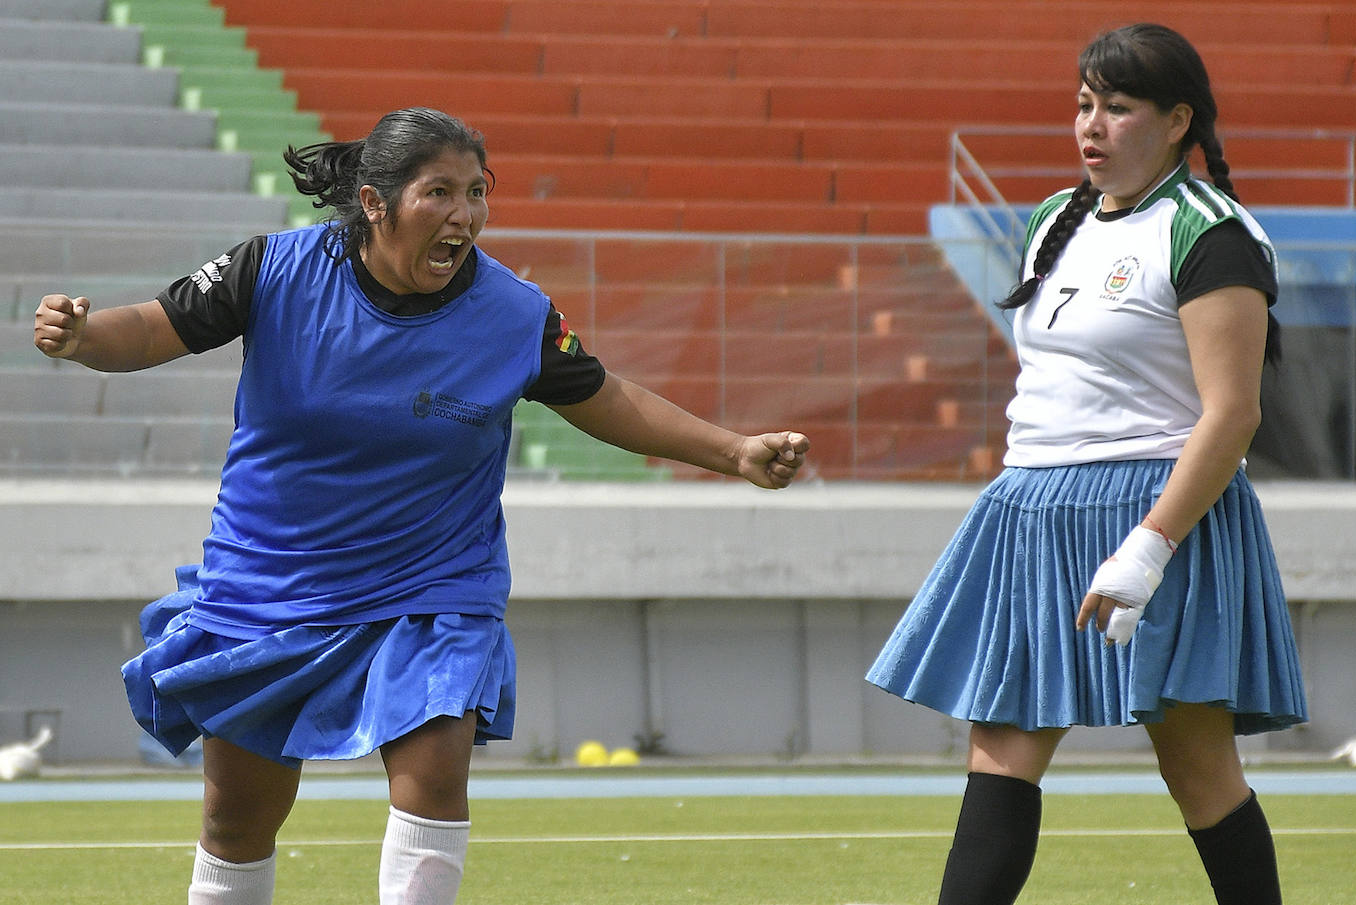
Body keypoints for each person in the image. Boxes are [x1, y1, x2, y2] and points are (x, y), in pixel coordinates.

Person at [33, 106, 809, 905]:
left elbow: (604, 397)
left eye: (477, 192)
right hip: (271, 581)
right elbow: (151, 329)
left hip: (432, 585)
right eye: (440, 192)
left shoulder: (515, 313)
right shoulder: (273, 269)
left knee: (435, 774)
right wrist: (83, 336)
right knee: (237, 822)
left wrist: (733, 451)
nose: (465, 215)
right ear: (375, 203)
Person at [865, 24, 1305, 905]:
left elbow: (1233, 412)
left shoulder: (1209, 231)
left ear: (1179, 121)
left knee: (1197, 770)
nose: (1090, 125)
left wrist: (1148, 546)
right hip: (1032, 511)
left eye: (1118, 106)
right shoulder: (1048, 221)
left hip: (1160, 514)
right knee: (1001, 747)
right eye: (1083, 103)